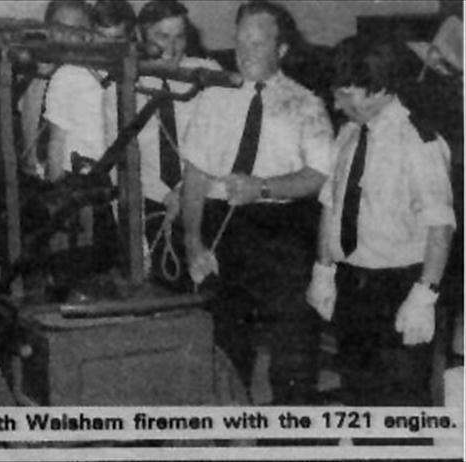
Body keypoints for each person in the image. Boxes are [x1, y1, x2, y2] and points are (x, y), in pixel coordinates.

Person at [180, 0, 333, 403]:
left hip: (280, 231)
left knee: (293, 345)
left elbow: (318, 175)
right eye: (240, 42)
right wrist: (193, 242)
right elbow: (194, 174)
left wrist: (262, 187)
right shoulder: (212, 98)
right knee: (226, 345)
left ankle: (290, 434)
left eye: (258, 44)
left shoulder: (305, 104)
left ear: (281, 50)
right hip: (222, 227)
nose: (246, 52)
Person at [307, 39, 454, 418]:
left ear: (381, 86)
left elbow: (440, 226)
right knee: (359, 396)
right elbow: (330, 205)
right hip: (353, 285)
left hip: (400, 287)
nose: (337, 104)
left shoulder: (418, 141)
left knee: (402, 406)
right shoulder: (349, 135)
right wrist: (323, 270)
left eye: (346, 93)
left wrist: (425, 295)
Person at [105, 0, 222, 290]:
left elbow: (224, 148)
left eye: (179, 36)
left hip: (205, 199)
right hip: (152, 208)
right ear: (141, 37)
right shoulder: (119, 88)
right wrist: (165, 199)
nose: (173, 47)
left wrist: (186, 191)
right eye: (162, 37)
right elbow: (117, 166)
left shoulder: (208, 74)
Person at [18, 0, 93, 178]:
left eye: (74, 31)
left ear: (87, 36)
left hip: (68, 179)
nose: (65, 38)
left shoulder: (90, 81)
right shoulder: (32, 73)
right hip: (30, 177)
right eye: (59, 29)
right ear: (48, 31)